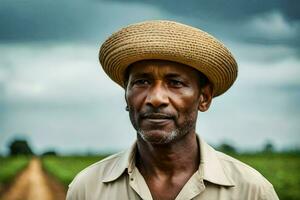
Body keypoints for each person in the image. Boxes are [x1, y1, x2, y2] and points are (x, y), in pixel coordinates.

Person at [66, 20, 279, 200]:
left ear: (204, 98)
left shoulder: (251, 191)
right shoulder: (88, 188)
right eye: (142, 81)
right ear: (126, 96)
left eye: (175, 83)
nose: (156, 98)